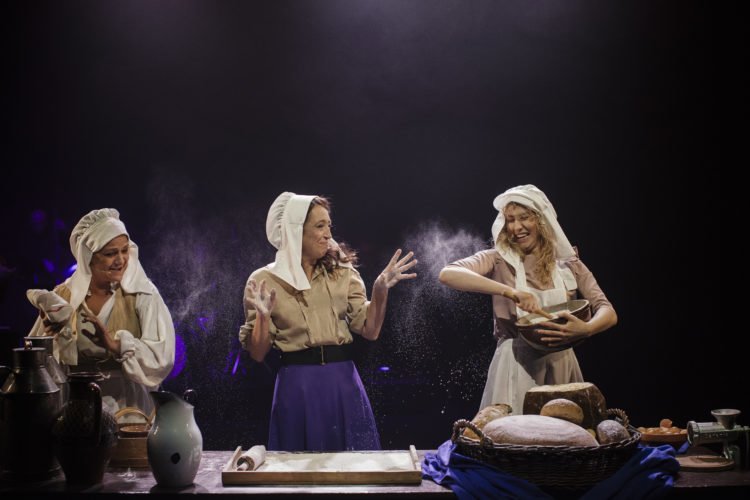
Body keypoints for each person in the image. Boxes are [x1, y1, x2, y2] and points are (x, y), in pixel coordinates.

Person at [239, 192, 417, 451]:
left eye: (329, 226)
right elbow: (257, 353)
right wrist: (263, 317)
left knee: (353, 465)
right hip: (297, 386)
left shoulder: (341, 271)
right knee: (300, 466)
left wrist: (380, 290)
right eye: (319, 226)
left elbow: (370, 330)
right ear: (295, 231)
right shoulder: (263, 280)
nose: (328, 234)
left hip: (342, 382)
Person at [439, 185, 617, 413]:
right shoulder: (498, 259)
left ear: (542, 220)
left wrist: (587, 329)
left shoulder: (567, 263)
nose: (516, 227)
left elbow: (607, 310)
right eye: (510, 220)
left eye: (524, 218)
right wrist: (510, 292)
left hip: (562, 362)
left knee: (564, 431)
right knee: (514, 431)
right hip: (515, 363)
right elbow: (448, 274)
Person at [28, 208, 175, 415]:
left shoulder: (142, 293)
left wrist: (117, 346)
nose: (121, 260)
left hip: (127, 406)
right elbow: (35, 362)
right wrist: (50, 339)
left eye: (124, 250)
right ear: (89, 257)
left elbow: (162, 357)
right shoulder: (63, 296)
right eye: (110, 253)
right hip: (76, 404)